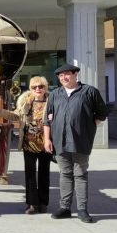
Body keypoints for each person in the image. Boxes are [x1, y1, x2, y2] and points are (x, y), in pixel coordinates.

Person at [43, 63, 108, 223]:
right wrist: (47, 138)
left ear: (75, 74)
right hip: (59, 141)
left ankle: (82, 209)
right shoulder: (55, 94)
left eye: (67, 74)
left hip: (80, 141)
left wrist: (87, 126)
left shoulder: (89, 92)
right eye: (60, 75)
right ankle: (65, 207)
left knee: (80, 175)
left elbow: (102, 114)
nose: (64, 78)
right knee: (64, 174)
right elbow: (47, 118)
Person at [0, 76, 53, 214]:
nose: (38, 89)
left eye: (41, 86)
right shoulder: (25, 102)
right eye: (34, 87)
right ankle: (32, 204)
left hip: (46, 142)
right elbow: (15, 116)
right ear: (30, 89)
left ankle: (43, 203)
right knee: (30, 174)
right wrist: (0, 111)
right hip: (29, 143)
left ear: (45, 88)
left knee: (44, 173)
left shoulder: (52, 102)